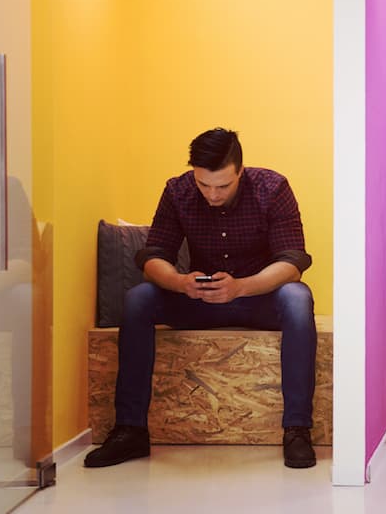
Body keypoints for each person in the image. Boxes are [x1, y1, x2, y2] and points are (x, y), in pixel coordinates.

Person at [84, 128, 318, 469]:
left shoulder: (272, 188)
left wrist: (240, 287)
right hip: (200, 299)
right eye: (203, 184)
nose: (211, 194)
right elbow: (153, 256)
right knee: (138, 299)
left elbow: (293, 262)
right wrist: (180, 283)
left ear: (240, 171)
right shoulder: (178, 191)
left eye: (222, 186)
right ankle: (130, 431)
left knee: (298, 298)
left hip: (257, 297)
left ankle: (297, 430)